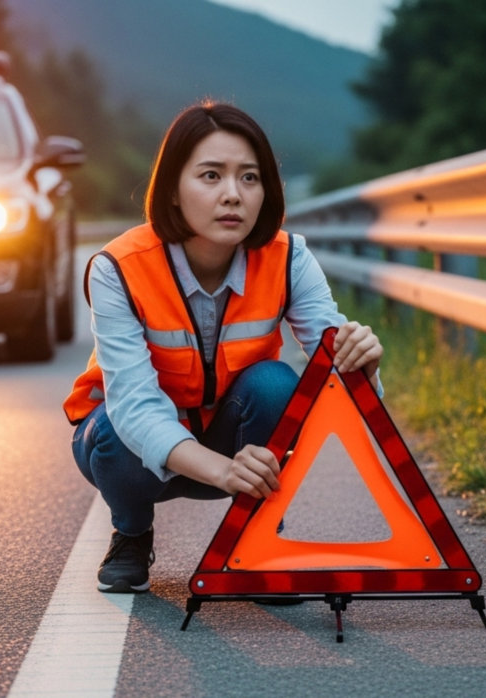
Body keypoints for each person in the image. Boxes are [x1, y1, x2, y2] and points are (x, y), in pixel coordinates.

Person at [63, 101, 382, 593]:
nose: (233, 194)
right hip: (139, 451)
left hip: (237, 442)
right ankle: (131, 532)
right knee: (111, 427)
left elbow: (334, 377)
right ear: (172, 189)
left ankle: (257, 539)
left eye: (249, 178)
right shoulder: (117, 268)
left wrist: (364, 364)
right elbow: (133, 405)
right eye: (211, 176)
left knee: (277, 385)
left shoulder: (288, 257)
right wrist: (221, 469)